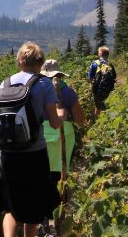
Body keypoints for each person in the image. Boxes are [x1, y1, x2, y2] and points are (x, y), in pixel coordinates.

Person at [0, 42, 62, 237]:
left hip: (8, 155)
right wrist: (62, 115)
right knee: (32, 208)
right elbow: (54, 123)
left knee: (9, 206)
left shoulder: (5, 84)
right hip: (35, 154)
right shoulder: (44, 84)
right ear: (40, 62)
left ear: (20, 61)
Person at [41, 59, 86, 201]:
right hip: (64, 135)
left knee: (43, 170)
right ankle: (61, 203)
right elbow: (80, 120)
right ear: (59, 76)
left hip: (41, 135)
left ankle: (43, 206)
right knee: (61, 170)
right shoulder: (68, 92)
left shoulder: (36, 91)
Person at [87, 46, 115, 118]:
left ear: (100, 54)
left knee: (98, 106)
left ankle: (96, 121)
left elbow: (90, 77)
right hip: (108, 89)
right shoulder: (110, 65)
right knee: (105, 104)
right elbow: (114, 77)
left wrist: (91, 85)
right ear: (107, 55)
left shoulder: (95, 63)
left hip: (96, 88)